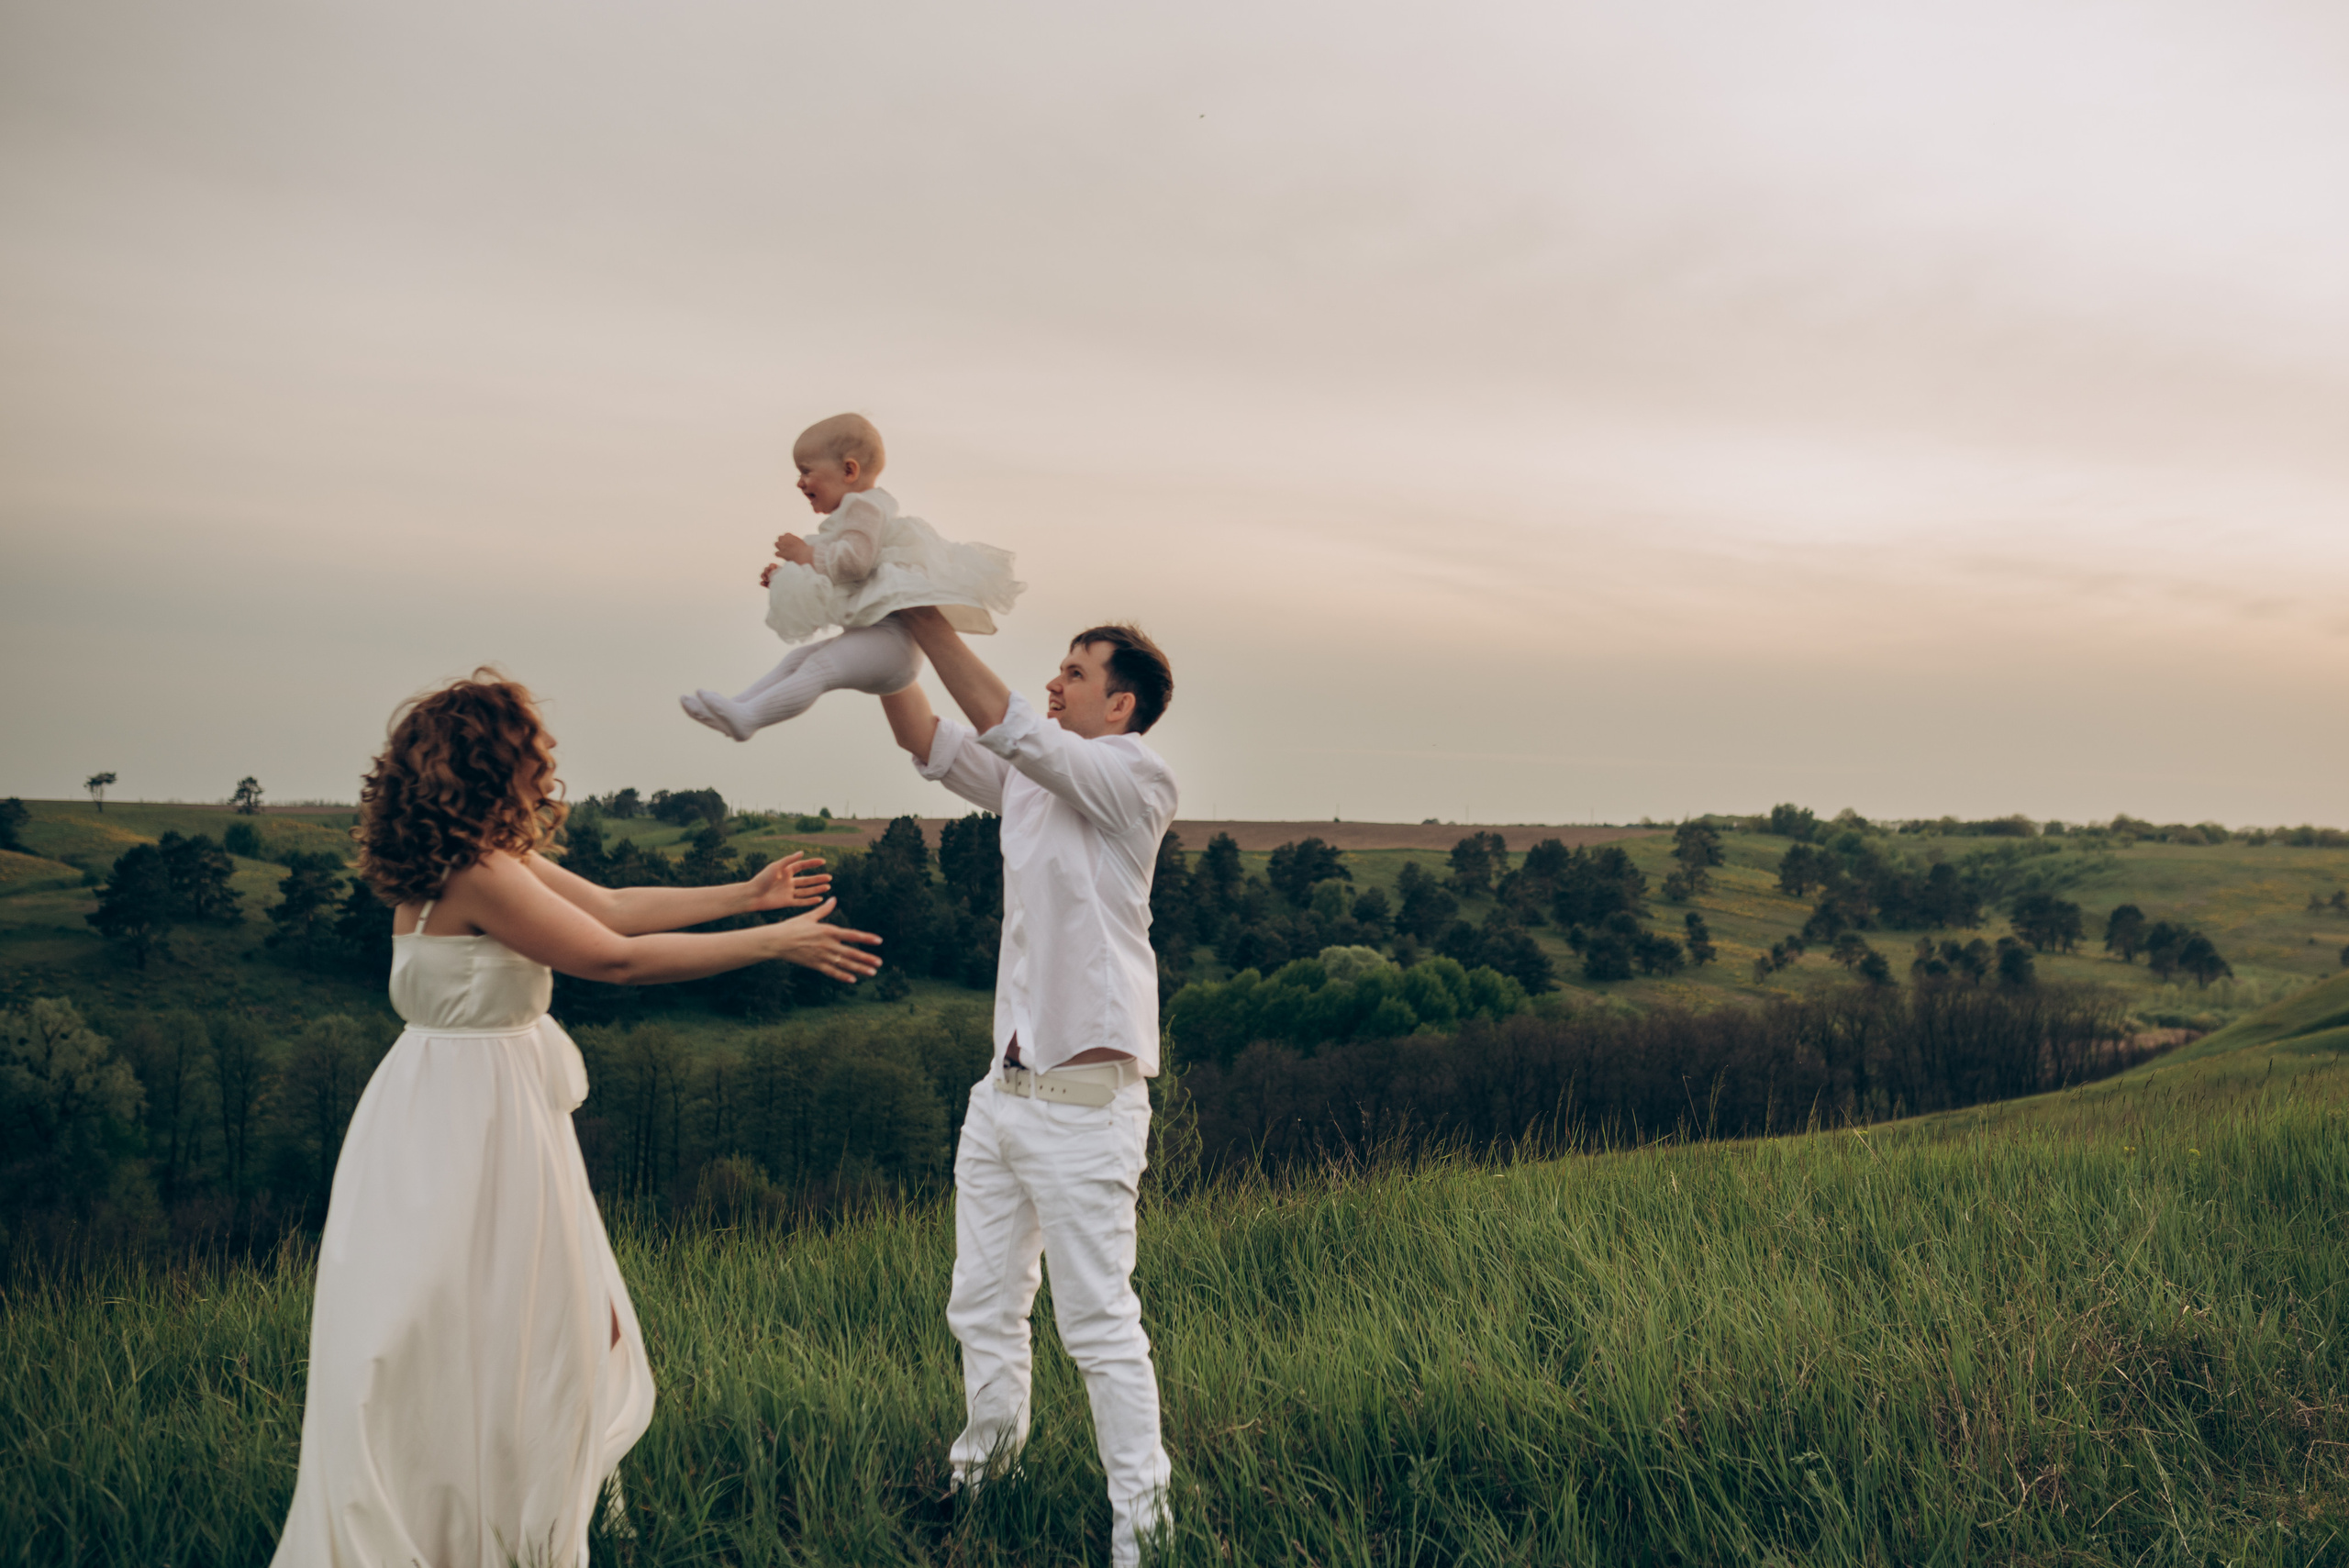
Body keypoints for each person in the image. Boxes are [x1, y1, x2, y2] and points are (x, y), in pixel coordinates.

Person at [271, 671, 882, 1568]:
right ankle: (472, 1526)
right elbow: (614, 957)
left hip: (472, 1106)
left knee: (504, 1320)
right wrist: (773, 942)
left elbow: (613, 904)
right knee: (472, 1325)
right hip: (470, 1123)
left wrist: (743, 895)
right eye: (532, 746)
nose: (548, 760)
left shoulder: (473, 859)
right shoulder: (478, 873)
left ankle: (494, 1515)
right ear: (492, 760)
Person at [878, 606, 1178, 1568]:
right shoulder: (1029, 774)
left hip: (1086, 1110)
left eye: (1075, 672)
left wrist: (924, 612)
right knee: (981, 1306)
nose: (1054, 681)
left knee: (1098, 1326)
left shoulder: (1136, 778)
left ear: (1120, 704)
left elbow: (1009, 723)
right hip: (1001, 1097)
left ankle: (1144, 1535)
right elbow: (926, 734)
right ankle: (982, 1486)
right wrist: (878, 631)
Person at [681, 412, 1023, 741]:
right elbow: (844, 575)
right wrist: (787, 575)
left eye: (806, 471)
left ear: (849, 470)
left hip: (892, 648)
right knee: (799, 660)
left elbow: (854, 565)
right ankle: (737, 707)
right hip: (875, 641)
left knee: (819, 668)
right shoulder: (851, 516)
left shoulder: (865, 508)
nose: (799, 482)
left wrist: (803, 554)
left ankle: (747, 718)